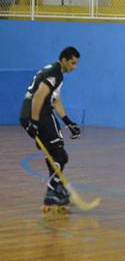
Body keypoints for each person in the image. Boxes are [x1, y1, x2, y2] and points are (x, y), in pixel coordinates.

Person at [19, 47, 82, 211]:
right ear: (64, 60)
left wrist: (68, 122)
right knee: (60, 154)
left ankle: (56, 190)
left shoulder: (53, 71)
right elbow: (40, 96)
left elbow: (55, 100)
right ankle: (52, 192)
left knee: (57, 155)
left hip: (31, 114)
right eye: (73, 63)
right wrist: (34, 121)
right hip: (40, 114)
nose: (74, 67)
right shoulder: (56, 72)